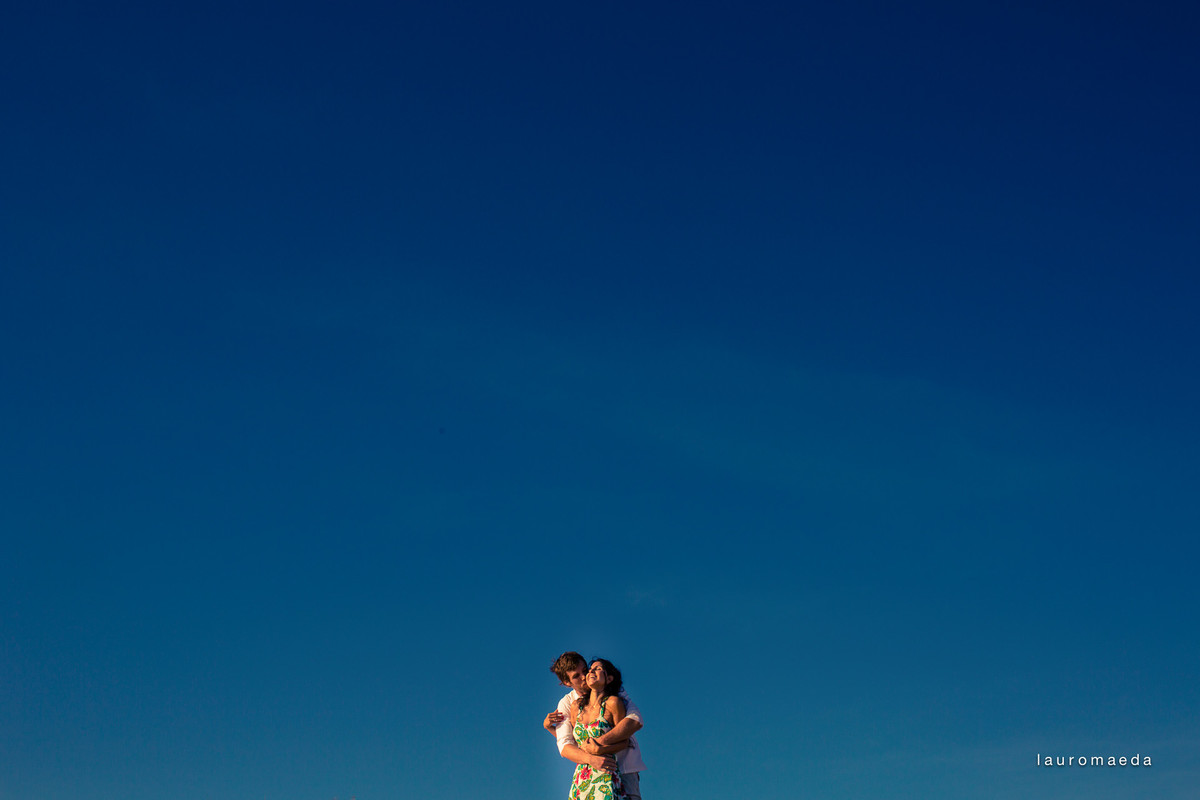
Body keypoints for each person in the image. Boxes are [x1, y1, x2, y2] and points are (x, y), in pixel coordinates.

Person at [544, 652, 645, 800]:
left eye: (585, 670)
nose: (584, 677)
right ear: (567, 682)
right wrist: (592, 758)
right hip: (588, 774)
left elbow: (635, 720)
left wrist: (599, 744)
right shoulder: (569, 704)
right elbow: (567, 745)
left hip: (625, 769)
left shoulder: (613, 693)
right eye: (576, 676)